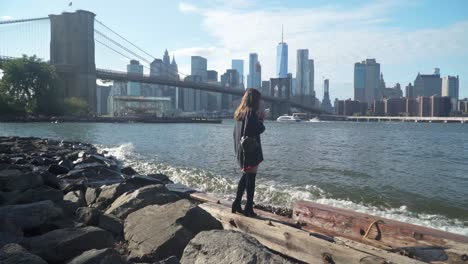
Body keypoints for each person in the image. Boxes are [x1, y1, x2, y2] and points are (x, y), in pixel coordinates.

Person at [232, 88, 265, 217]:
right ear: (255, 100)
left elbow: (235, 134)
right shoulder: (251, 113)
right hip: (251, 150)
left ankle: (236, 203)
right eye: (259, 100)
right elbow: (259, 129)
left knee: (246, 176)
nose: (260, 103)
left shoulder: (239, 113)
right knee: (251, 180)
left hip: (242, 150)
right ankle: (248, 209)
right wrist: (261, 119)